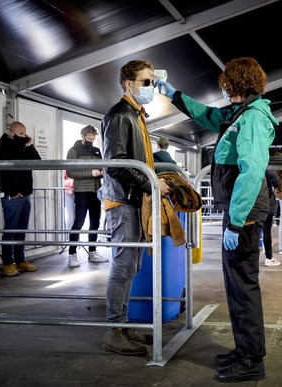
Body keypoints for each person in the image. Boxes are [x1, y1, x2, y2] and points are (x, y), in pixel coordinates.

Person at [158, 57, 277, 383]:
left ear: (237, 84)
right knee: (237, 287)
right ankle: (245, 350)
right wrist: (175, 95)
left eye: (226, 84)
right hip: (239, 214)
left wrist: (237, 223)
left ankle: (252, 359)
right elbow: (207, 115)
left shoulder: (252, 118)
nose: (222, 89)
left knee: (243, 288)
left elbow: (252, 172)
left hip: (245, 217)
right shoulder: (237, 114)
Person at [100, 60, 172, 357]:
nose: (150, 87)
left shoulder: (136, 115)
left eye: (151, 81)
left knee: (132, 266)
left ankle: (122, 324)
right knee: (123, 266)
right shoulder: (120, 115)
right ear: (128, 84)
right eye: (146, 82)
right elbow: (116, 163)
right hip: (124, 201)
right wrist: (150, 184)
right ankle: (114, 330)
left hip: (134, 200)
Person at [0, 121, 41, 277]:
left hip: (25, 194)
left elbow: (38, 162)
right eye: (21, 134)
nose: (24, 136)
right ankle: (7, 263)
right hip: (12, 196)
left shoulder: (23, 147)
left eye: (25, 133)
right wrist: (12, 192)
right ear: (11, 132)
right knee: (10, 229)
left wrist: (30, 145)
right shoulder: (0, 149)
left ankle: (20, 261)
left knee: (21, 230)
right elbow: (0, 173)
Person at [65, 125, 108, 268]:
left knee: (95, 223)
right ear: (83, 136)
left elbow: (102, 166)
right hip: (82, 192)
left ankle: (92, 252)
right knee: (79, 222)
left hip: (96, 191)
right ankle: (72, 255)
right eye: (89, 137)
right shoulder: (73, 151)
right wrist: (91, 173)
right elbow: (71, 173)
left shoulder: (96, 151)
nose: (91, 140)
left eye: (93, 137)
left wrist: (102, 171)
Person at [263, 169, 281, 266]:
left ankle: (248, 259)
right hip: (266, 203)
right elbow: (276, 183)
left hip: (251, 204)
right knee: (266, 231)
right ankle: (268, 257)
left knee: (252, 232)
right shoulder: (267, 167)